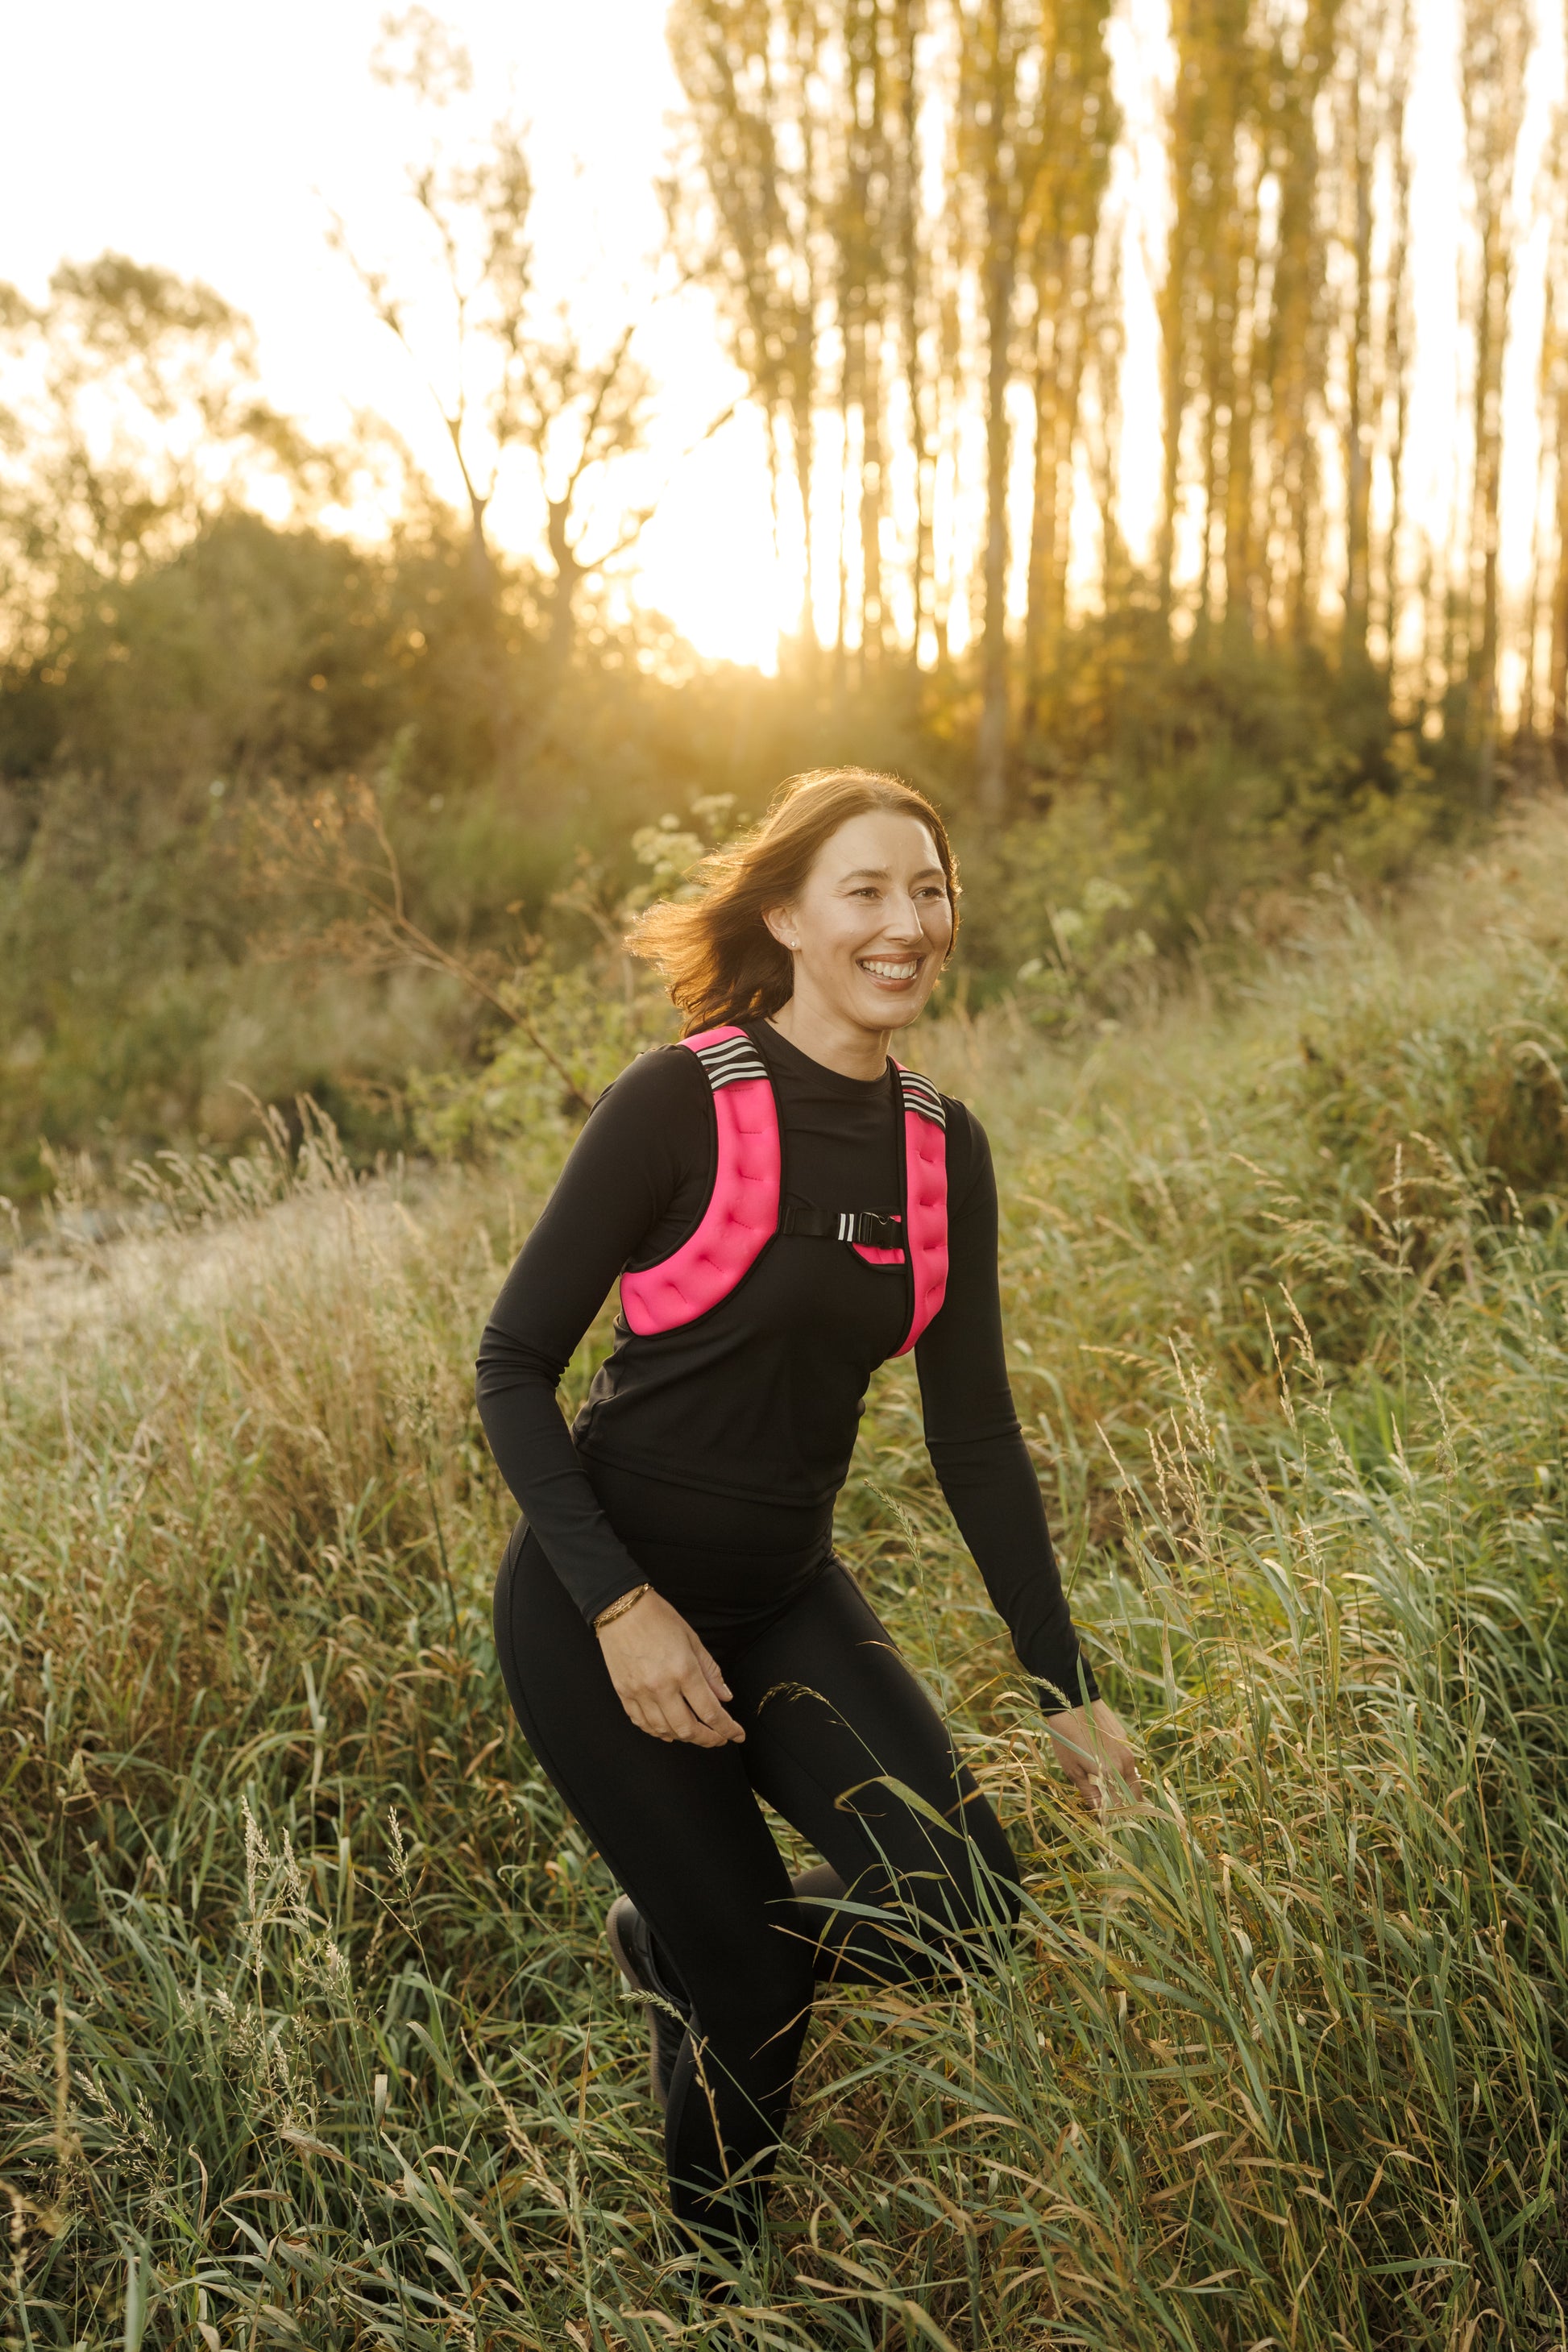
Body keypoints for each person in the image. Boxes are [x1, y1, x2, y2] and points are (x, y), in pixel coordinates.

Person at [476, 767, 1139, 2259]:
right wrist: (621, 1609)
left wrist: (1066, 1697)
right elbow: (512, 1368)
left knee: (964, 1908)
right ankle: (717, 2292)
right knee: (762, 1997)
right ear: (785, 916)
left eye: (930, 890)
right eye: (866, 891)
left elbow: (974, 1437)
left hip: (781, 1594)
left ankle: (676, 1945)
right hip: (600, 1611)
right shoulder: (679, 1101)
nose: (906, 923)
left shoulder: (938, 1146)